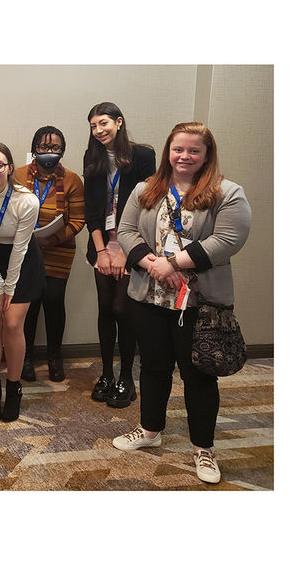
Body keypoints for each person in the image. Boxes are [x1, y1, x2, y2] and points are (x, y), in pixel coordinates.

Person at [112, 122, 251, 484]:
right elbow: (126, 232)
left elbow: (228, 239)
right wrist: (152, 265)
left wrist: (171, 263)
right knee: (154, 368)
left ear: (207, 155)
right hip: (150, 297)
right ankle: (150, 430)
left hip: (200, 304)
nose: (184, 156)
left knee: (198, 376)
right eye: (178, 149)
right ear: (167, 152)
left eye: (193, 150)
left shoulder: (227, 193)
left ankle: (203, 448)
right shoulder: (146, 190)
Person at [83, 102, 156, 408]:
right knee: (104, 309)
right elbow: (91, 209)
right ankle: (107, 375)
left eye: (103, 123)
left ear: (119, 122)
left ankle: (127, 377)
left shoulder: (142, 155)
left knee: (123, 310)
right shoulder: (93, 157)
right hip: (102, 246)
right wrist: (101, 251)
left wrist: (128, 253)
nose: (98, 131)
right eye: (93, 126)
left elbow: (149, 205)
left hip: (133, 245)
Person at [0, 143, 43, 422]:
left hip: (22, 259)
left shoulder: (26, 200)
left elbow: (20, 248)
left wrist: (9, 287)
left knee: (13, 323)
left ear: (10, 168)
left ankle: (13, 388)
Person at [14, 126, 85, 382]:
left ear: (62, 151)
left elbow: (77, 221)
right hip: (24, 253)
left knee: (54, 303)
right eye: (44, 147)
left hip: (59, 252)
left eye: (55, 148)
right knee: (28, 306)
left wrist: (51, 239)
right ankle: (26, 357)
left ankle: (55, 357)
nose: (49, 152)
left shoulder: (73, 180)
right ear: (35, 148)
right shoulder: (17, 175)